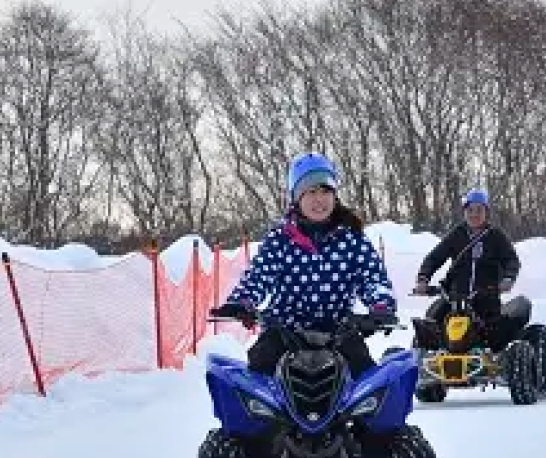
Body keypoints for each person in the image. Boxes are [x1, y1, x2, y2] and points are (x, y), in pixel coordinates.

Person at [211, 152, 397, 378]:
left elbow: (373, 278)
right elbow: (258, 277)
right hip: (284, 332)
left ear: (335, 195)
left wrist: (381, 306)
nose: (319, 199)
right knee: (258, 372)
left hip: (339, 331)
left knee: (365, 378)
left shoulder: (352, 239)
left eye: (325, 190)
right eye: (311, 191)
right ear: (297, 197)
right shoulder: (280, 239)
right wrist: (242, 303)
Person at [413, 188, 522, 349]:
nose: (474, 214)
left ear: (486, 212)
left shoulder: (496, 236)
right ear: (464, 212)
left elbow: (511, 260)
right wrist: (423, 279)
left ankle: (496, 360)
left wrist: (508, 279)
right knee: (431, 323)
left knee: (497, 333)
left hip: (486, 295)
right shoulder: (457, 234)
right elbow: (434, 258)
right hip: (455, 297)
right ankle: (426, 360)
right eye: (470, 210)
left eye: (479, 210)